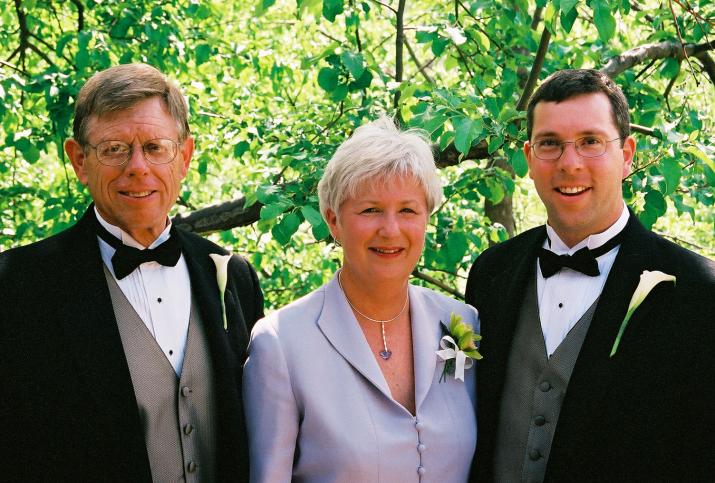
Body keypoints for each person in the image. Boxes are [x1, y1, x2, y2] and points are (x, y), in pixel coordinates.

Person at [0, 63, 264, 482]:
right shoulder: (16, 285)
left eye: (156, 147)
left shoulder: (232, 277)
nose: (138, 167)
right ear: (79, 160)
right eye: (114, 149)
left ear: (185, 156)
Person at [465, 69, 715, 482]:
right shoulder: (492, 272)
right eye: (550, 144)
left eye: (590, 142)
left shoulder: (698, 291)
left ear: (627, 154)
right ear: (529, 159)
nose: (569, 163)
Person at [243, 117, 480, 482]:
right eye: (370, 210)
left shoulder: (460, 323)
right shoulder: (282, 343)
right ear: (334, 221)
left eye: (407, 210)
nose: (390, 229)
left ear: (426, 219)